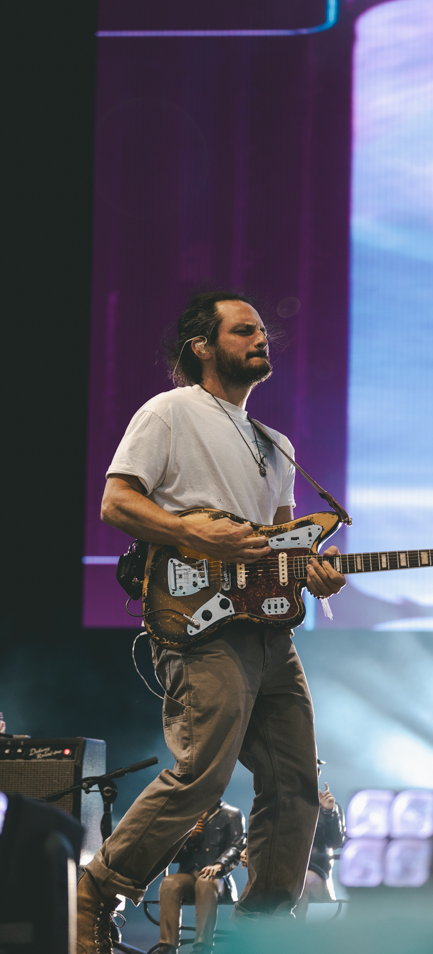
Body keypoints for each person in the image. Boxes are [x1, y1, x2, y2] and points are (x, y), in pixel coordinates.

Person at [76, 292, 346, 953]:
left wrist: (316, 571)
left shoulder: (275, 444)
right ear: (202, 347)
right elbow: (116, 501)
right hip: (198, 619)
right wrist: (194, 537)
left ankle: (261, 930)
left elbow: (285, 549)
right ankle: (96, 891)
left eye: (263, 331)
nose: (262, 339)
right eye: (243, 330)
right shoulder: (169, 412)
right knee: (204, 773)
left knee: (296, 781)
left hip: (267, 630)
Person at [153, 798, 244, 954]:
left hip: (216, 878)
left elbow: (237, 846)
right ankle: (167, 946)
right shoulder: (187, 815)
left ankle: (203, 946)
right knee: (170, 883)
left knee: (206, 882)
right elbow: (174, 856)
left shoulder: (231, 814)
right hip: (189, 874)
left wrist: (220, 865)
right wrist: (190, 839)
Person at [294, 763, 345, 919]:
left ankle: (295, 932)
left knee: (302, 884)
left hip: (314, 870)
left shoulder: (330, 807)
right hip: (287, 868)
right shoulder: (284, 805)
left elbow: (335, 842)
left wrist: (329, 812)